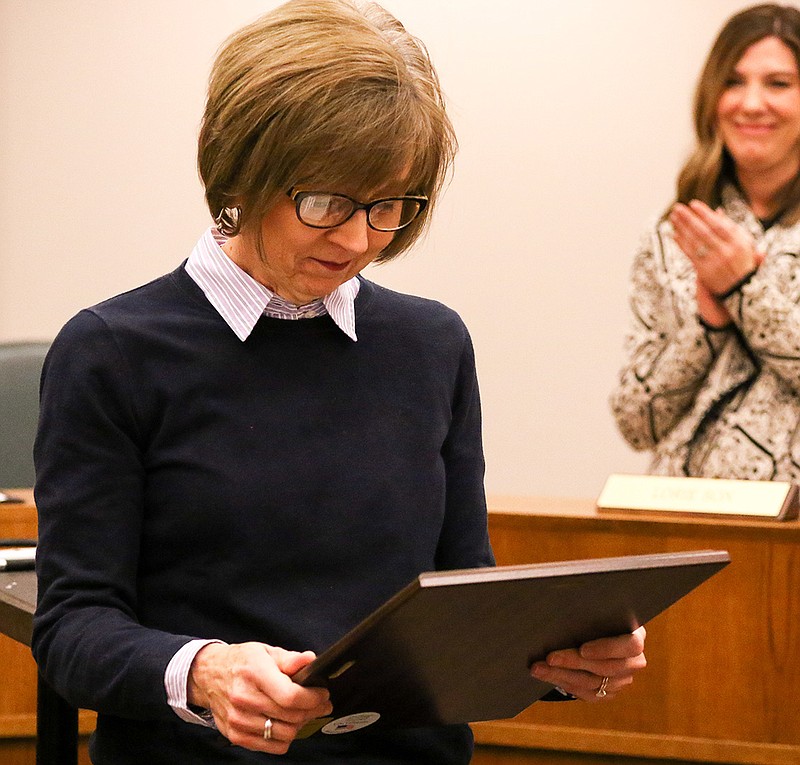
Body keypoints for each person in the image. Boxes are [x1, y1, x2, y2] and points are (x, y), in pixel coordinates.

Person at [33, 1, 646, 763]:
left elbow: (459, 596)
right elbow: (72, 629)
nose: (359, 239)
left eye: (389, 206)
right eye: (325, 202)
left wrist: (560, 659)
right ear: (242, 168)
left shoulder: (432, 344)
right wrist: (205, 670)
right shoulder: (115, 352)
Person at [611, 3, 800, 481]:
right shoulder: (675, 231)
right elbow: (637, 423)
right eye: (733, 82)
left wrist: (744, 289)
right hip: (682, 520)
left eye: (778, 83)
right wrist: (706, 329)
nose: (752, 103)